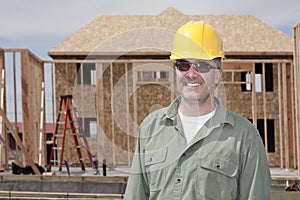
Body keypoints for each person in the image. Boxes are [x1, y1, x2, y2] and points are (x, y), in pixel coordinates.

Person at [124, 21, 271, 200]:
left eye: (202, 65)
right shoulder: (151, 127)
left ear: (217, 75)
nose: (191, 73)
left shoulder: (244, 136)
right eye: (183, 65)